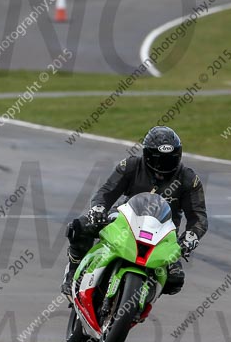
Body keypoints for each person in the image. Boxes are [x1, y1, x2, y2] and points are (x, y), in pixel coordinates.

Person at [61, 126, 208, 296]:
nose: (164, 165)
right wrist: (98, 209)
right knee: (80, 226)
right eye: (158, 159)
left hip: (163, 233)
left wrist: (191, 237)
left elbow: (199, 216)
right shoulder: (131, 166)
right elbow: (106, 192)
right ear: (147, 155)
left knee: (175, 279)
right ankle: (72, 272)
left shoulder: (189, 179)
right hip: (124, 220)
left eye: (170, 159)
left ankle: (139, 302)